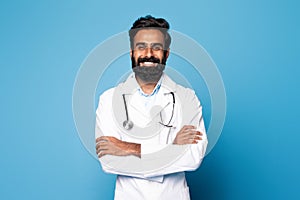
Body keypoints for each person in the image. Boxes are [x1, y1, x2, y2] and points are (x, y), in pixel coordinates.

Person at [95, 15, 208, 200]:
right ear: (132, 52)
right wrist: (171, 147)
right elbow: (108, 161)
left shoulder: (187, 98)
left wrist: (129, 147)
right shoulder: (108, 100)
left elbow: (193, 157)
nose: (149, 53)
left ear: (166, 53)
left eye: (156, 47)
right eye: (141, 47)